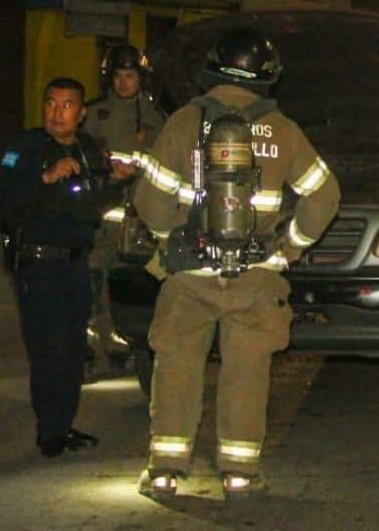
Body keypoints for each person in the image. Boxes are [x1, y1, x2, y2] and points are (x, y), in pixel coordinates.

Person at [135, 28, 340, 501]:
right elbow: (325, 195)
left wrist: (174, 244)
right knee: (247, 372)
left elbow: (148, 198)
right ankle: (239, 474)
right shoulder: (282, 130)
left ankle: (166, 470)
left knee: (178, 366)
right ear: (267, 77)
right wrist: (290, 247)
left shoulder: (185, 122)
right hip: (255, 275)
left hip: (189, 274)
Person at [0, 77, 131, 457]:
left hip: (76, 264)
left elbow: (93, 204)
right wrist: (45, 178)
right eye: (51, 103)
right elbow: (5, 203)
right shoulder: (24, 148)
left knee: (73, 350)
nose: (57, 112)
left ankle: (63, 424)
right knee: (47, 348)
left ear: (81, 112)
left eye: (67, 105)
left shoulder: (89, 150)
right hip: (38, 264)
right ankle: (49, 431)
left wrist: (117, 182)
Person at [83, 44, 167, 376]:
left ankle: (125, 346)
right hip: (100, 214)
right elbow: (80, 155)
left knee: (130, 284)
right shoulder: (92, 114)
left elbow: (165, 165)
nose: (123, 83)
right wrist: (104, 169)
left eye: (130, 76)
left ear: (141, 79)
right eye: (118, 76)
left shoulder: (155, 118)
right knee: (91, 281)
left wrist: (138, 171)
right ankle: (88, 348)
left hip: (137, 219)